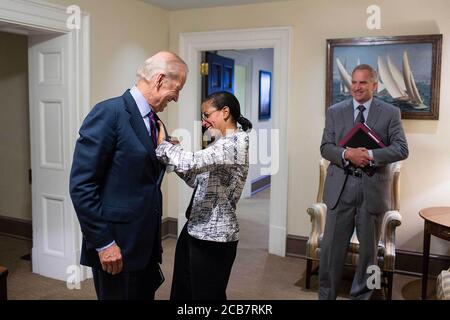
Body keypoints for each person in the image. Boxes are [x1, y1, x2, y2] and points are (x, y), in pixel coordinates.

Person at [69, 51, 188, 300]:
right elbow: (82, 185)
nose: (176, 98)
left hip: (145, 244)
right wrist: (103, 243)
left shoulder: (157, 123)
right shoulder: (108, 113)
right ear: (159, 80)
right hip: (116, 246)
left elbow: (143, 176)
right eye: (177, 89)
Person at [319, 64, 409, 300]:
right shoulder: (335, 111)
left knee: (370, 256)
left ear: (374, 85)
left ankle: (365, 296)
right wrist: (348, 154)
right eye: (354, 82)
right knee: (330, 251)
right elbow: (326, 148)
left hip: (373, 190)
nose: (357, 87)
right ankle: (326, 295)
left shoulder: (390, 112)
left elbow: (401, 149)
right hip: (340, 189)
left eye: (363, 83)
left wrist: (369, 155)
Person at [155, 91, 252, 300]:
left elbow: (190, 162)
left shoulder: (235, 143)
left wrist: (163, 144)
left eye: (207, 114)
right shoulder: (220, 144)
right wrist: (173, 151)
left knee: (207, 297)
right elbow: (195, 178)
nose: (204, 121)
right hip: (196, 228)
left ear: (225, 112)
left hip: (215, 237)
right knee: (184, 289)